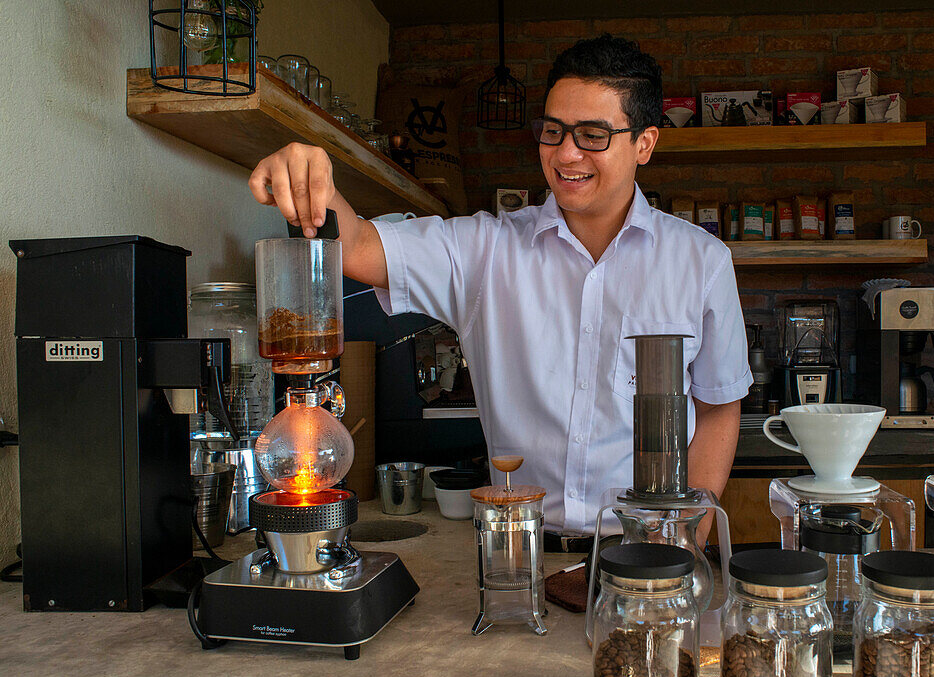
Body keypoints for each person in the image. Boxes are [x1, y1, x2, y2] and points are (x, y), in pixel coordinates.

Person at [248, 35, 751, 549]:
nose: (566, 153)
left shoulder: (701, 261)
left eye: (593, 135)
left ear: (644, 143)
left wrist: (690, 535)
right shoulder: (486, 249)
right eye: (553, 131)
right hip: (518, 558)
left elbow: (717, 407)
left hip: (647, 558)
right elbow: (357, 247)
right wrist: (314, 181)